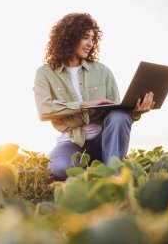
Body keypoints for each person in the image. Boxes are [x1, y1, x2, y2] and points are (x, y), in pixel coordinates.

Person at [33, 13, 154, 181]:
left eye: (92, 38)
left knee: (119, 115)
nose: (90, 43)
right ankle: (94, 175)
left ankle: (114, 176)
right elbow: (44, 109)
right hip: (71, 142)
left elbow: (117, 117)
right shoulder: (45, 73)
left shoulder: (103, 71)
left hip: (102, 141)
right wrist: (85, 104)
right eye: (85, 37)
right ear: (69, 38)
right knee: (60, 169)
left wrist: (135, 113)